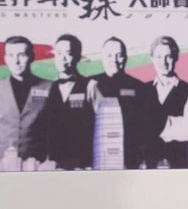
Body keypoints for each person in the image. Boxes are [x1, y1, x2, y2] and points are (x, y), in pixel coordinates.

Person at [91, 36, 159, 169]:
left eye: (119, 55)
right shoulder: (91, 85)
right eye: (109, 55)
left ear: (126, 58)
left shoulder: (140, 88)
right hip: (97, 157)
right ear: (102, 57)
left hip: (129, 159)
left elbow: (146, 128)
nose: (114, 60)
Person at [38, 34, 101, 169]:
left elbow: (102, 126)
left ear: (78, 57)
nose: (63, 58)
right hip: (55, 165)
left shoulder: (91, 86)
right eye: (59, 53)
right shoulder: (48, 88)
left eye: (68, 53)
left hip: (84, 164)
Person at [148, 35, 188, 168]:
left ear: (176, 58)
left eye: (168, 57)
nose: (163, 62)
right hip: (149, 163)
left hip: (179, 163)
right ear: (152, 59)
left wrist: (159, 127)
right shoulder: (143, 90)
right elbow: (138, 129)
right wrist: (177, 122)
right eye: (159, 57)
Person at [0, 36, 52, 171]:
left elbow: (56, 128)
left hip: (37, 164)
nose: (16, 61)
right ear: (5, 59)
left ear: (32, 57)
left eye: (21, 55)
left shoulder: (49, 87)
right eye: (11, 55)